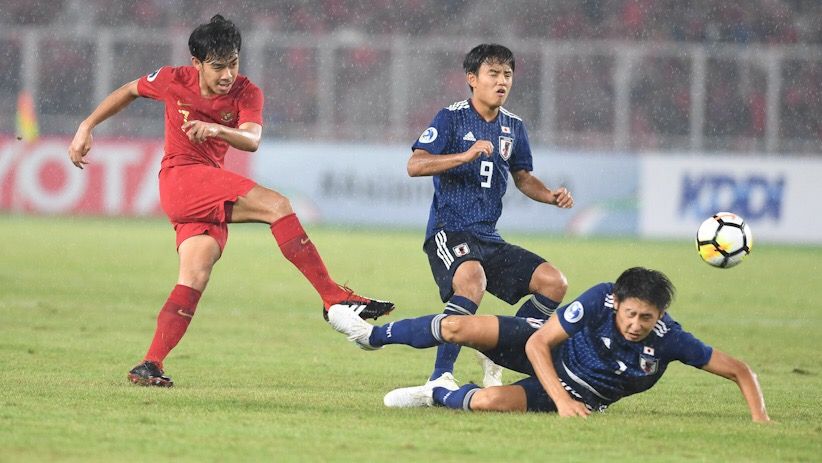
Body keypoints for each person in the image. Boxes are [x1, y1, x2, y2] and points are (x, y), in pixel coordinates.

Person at [67, 15, 394, 387]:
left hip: (203, 192)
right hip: (182, 178)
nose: (227, 74)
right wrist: (86, 126)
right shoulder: (173, 79)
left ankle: (150, 363)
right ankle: (333, 296)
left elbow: (251, 139)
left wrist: (218, 129)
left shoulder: (246, 92)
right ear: (197, 64)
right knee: (278, 206)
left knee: (195, 274)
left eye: (233, 63)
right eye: (218, 66)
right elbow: (128, 90)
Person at [327, 267, 770, 422]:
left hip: (578, 391)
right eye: (630, 314)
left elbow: (739, 370)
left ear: (660, 318)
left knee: (484, 404)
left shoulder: (670, 340)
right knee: (458, 327)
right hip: (545, 350)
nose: (636, 325)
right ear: (618, 304)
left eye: (646, 318)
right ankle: (372, 335)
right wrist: (559, 402)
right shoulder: (601, 297)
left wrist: (760, 419)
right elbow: (540, 342)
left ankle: (436, 392)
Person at [406, 43, 574, 389]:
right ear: (472, 79)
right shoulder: (451, 117)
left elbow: (523, 177)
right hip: (449, 230)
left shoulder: (513, 126)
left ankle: (498, 348)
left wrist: (551, 196)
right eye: (493, 74)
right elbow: (415, 164)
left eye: (507, 75)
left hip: (487, 237)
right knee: (472, 281)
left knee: (554, 282)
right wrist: (462, 156)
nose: (502, 82)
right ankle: (440, 377)